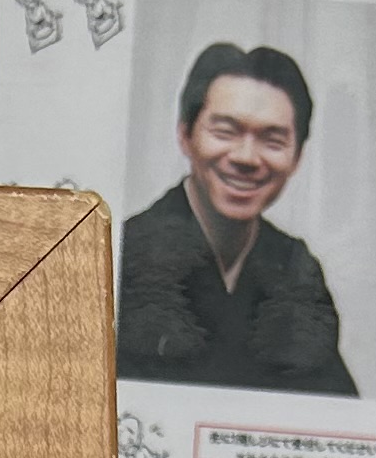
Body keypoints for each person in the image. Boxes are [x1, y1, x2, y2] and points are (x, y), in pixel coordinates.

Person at [119, 43, 357, 396]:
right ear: (185, 135)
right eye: (225, 132)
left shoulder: (296, 271)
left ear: (297, 157)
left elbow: (336, 410)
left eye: (272, 140)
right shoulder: (123, 255)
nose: (246, 158)